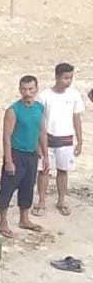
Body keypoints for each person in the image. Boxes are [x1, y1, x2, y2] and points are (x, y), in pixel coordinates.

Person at [0, 76, 47, 238]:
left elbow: (42, 131)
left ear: (36, 89)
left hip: (31, 154)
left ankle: (24, 219)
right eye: (24, 89)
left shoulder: (40, 108)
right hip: (16, 153)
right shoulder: (13, 110)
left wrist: (45, 154)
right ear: (19, 90)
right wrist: (8, 160)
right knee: (8, 187)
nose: (27, 92)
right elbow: (6, 136)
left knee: (27, 186)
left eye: (31, 89)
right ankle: (2, 221)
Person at [38, 62, 85, 216]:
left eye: (71, 78)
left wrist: (80, 140)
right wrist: (38, 143)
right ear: (57, 77)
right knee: (44, 170)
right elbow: (39, 120)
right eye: (66, 78)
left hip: (66, 139)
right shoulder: (45, 96)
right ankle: (41, 201)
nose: (68, 81)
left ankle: (61, 201)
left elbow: (76, 117)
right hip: (48, 138)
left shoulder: (74, 95)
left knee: (63, 171)